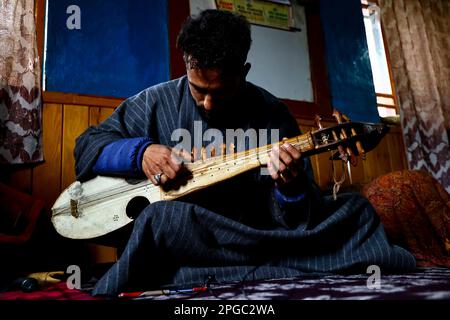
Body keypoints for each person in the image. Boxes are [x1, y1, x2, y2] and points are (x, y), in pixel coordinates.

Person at [74, 9, 415, 296]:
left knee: (356, 210)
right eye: (198, 90)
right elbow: (86, 147)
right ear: (186, 65)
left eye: (219, 93)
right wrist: (141, 153)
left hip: (250, 237)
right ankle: (263, 270)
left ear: (244, 72)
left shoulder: (273, 114)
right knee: (159, 219)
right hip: (183, 234)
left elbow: (296, 219)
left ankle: (222, 269)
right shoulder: (154, 102)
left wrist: (289, 188)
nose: (207, 103)